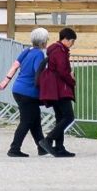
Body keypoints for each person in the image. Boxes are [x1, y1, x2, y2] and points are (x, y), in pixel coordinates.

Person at [36, 27, 79, 155]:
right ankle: (48, 140)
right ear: (66, 39)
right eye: (72, 41)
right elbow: (62, 71)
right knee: (68, 116)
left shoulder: (56, 50)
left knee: (60, 118)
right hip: (59, 89)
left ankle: (59, 147)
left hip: (54, 89)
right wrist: (72, 81)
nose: (72, 44)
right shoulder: (59, 51)